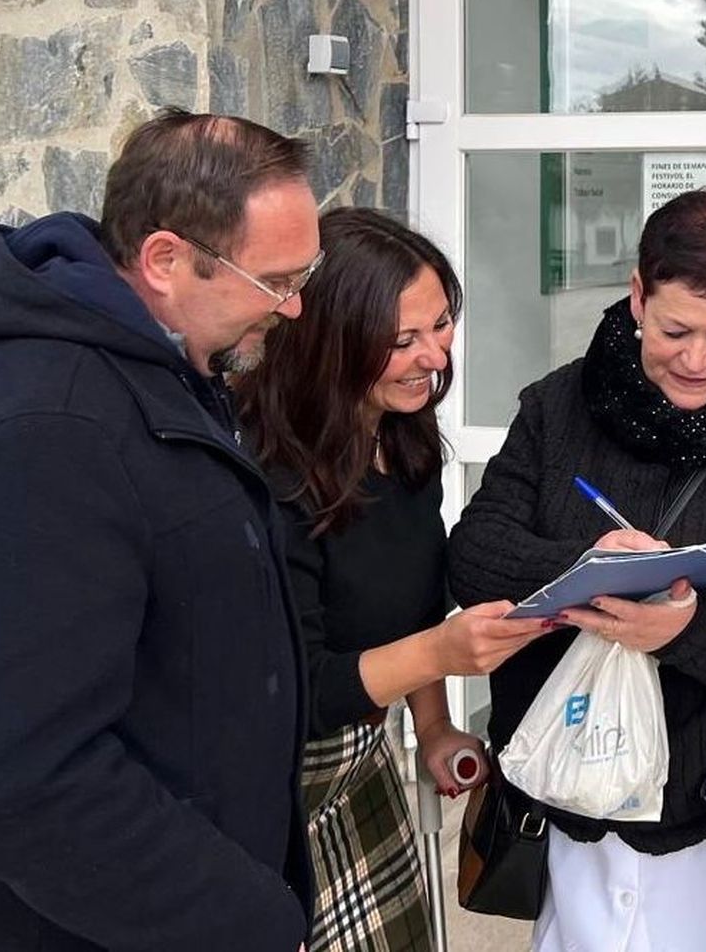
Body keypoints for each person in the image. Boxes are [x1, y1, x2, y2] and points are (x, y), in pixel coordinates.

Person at [449, 185, 706, 952]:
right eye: (674, 329)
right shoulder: (558, 406)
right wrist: (586, 564)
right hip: (584, 794)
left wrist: (682, 628)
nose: (697, 360)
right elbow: (474, 557)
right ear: (637, 295)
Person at [0, 110, 321, 951]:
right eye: (276, 280)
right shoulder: (53, 423)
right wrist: (243, 921)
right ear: (164, 261)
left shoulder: (162, 367)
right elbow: (12, 773)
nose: (294, 308)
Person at [237, 207, 555, 952]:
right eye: (401, 340)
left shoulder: (404, 441)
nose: (434, 357)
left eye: (441, 324)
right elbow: (301, 689)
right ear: (329, 341)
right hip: (277, 790)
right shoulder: (268, 475)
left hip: (367, 762)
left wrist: (436, 726)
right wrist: (444, 654)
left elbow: (409, 609)